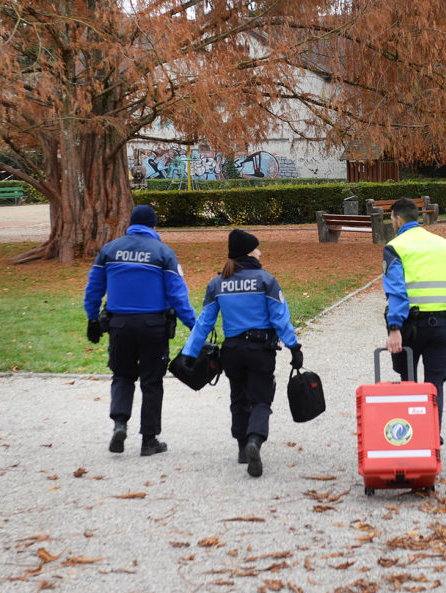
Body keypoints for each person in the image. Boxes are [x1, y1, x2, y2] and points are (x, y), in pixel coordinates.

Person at [179, 229, 302, 477]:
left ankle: (241, 448)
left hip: (232, 351)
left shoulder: (217, 283)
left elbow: (204, 322)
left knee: (238, 398)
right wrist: (294, 347)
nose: (260, 251)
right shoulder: (266, 280)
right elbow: (280, 319)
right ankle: (254, 440)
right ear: (248, 252)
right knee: (261, 399)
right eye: (257, 248)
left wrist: (189, 352)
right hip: (259, 350)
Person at [84, 204, 197, 457]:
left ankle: (120, 424)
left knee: (122, 376)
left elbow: (93, 288)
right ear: (153, 226)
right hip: (153, 326)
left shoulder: (109, 250)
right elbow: (178, 296)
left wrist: (92, 318)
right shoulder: (163, 253)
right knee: (151, 381)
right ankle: (149, 441)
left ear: (131, 224)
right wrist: (194, 327)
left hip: (119, 325)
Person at [382, 197, 446, 432]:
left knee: (408, 384)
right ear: (417, 217)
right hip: (441, 327)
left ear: (396, 218)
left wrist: (394, 329)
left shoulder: (395, 247)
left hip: (409, 328)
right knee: (435, 386)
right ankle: (433, 439)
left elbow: (396, 292)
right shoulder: (444, 244)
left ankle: (411, 437)